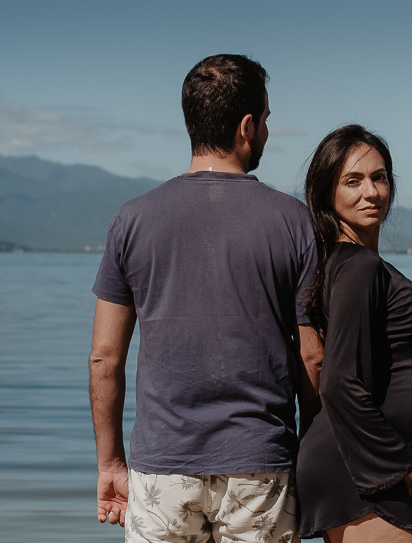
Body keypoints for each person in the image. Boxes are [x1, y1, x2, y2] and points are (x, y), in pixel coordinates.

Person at [89, 54, 322, 543]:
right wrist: (314, 452)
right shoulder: (294, 222)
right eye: (266, 120)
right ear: (246, 126)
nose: (266, 132)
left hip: (162, 469)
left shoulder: (132, 220)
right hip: (261, 465)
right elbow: (312, 357)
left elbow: (104, 358)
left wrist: (111, 463)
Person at [296, 125, 412, 542]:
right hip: (370, 476)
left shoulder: (347, 263)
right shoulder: (357, 266)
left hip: (369, 471)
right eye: (352, 181)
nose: (371, 192)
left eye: (380, 177)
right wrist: (401, 464)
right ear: (325, 193)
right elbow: (337, 382)